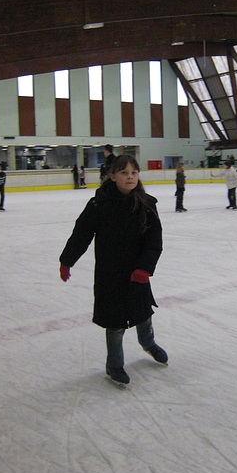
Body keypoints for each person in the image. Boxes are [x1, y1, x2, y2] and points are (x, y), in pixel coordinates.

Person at [59, 154, 167, 387]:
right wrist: (67, 260)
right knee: (115, 322)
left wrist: (145, 267)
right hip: (110, 273)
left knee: (144, 313)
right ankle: (114, 364)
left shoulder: (146, 205)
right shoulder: (99, 205)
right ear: (112, 176)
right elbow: (81, 234)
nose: (130, 177)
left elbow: (154, 240)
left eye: (134, 173)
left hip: (137, 271)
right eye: (124, 173)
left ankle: (148, 343)